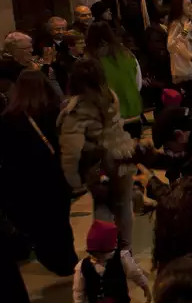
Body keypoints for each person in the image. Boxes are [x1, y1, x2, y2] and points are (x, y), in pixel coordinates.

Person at [0, 69, 78, 274]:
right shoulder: (54, 112)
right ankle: (67, 260)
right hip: (55, 176)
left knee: (40, 223)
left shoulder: (8, 118)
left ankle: (50, 257)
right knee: (60, 220)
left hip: (24, 181)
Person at [58, 59, 139, 249]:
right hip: (123, 155)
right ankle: (125, 252)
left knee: (102, 205)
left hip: (98, 163)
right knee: (124, 206)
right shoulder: (110, 96)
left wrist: (72, 179)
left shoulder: (75, 108)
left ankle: (106, 252)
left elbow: (72, 146)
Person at [85, 21, 143, 140]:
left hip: (108, 117)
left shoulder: (90, 61)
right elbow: (138, 82)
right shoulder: (127, 54)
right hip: (133, 110)